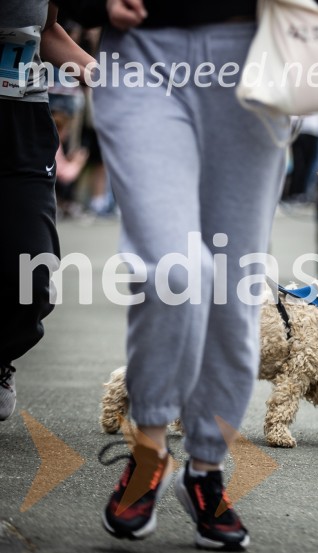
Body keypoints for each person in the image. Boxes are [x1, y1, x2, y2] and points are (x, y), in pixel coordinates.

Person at [56, 0, 289, 549]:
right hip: (142, 55)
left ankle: (206, 470)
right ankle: (148, 453)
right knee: (173, 268)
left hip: (255, 56)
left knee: (234, 285)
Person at [0, 1, 94, 421]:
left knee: (32, 277)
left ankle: (2, 354)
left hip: (21, 114)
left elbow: (47, 29)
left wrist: (104, 77)